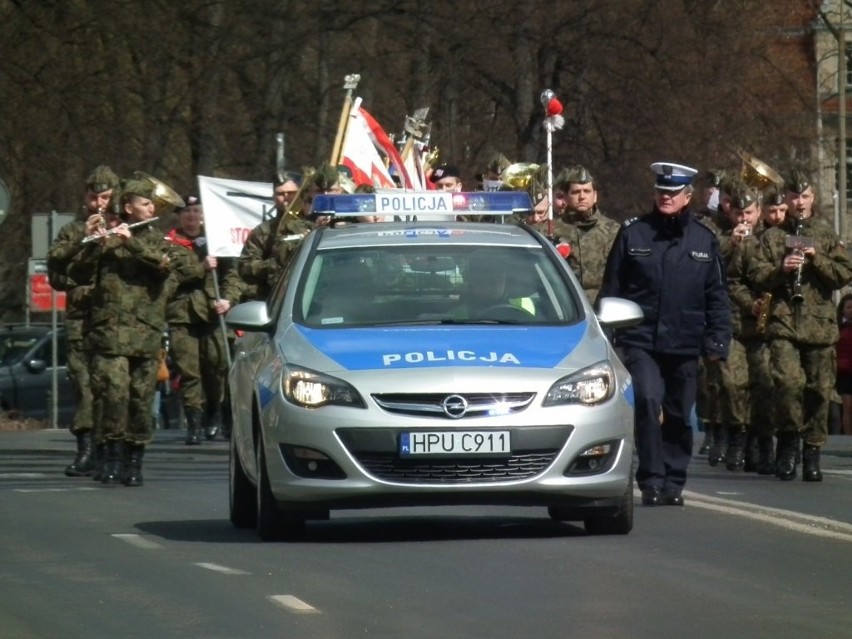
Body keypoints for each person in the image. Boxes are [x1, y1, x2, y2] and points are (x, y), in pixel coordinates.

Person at [598, 162, 731, 506]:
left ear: (687, 197)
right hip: (640, 338)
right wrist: (606, 333)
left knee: (678, 412)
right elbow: (612, 288)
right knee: (647, 399)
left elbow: (717, 295)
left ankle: (674, 481)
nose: (665, 197)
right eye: (661, 192)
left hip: (685, 341)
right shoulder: (634, 233)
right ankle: (652, 479)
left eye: (672, 193)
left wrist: (718, 340)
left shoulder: (704, 240)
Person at [67, 177, 191, 486]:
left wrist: (130, 243)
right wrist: (94, 243)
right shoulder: (106, 240)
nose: (152, 208)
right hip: (109, 334)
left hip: (145, 334)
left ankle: (134, 460)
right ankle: (110, 456)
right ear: (128, 207)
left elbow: (167, 268)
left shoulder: (158, 241)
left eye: (152, 203)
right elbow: (75, 274)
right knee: (114, 394)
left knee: (140, 399)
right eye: (145, 203)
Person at [745, 169, 852, 481]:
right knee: (788, 384)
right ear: (786, 199)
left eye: (805, 196)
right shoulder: (773, 237)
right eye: (794, 196)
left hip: (819, 326)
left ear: (813, 198)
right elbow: (755, 275)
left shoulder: (826, 234)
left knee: (820, 391)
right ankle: (789, 442)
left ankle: (812, 450)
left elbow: (843, 275)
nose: (799, 202)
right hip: (784, 322)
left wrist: (815, 257)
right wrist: (781, 268)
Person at [47, 164, 121, 477]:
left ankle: (111, 449)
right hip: (81, 319)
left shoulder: (126, 230)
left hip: (115, 322)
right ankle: (86, 448)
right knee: (84, 385)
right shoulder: (72, 231)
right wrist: (86, 241)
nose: (99, 204)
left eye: (105, 198)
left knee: (112, 387)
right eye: (94, 198)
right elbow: (56, 274)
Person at [165, 195, 243, 445]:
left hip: (212, 313)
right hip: (183, 314)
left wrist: (229, 299)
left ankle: (214, 410)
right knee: (189, 371)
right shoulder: (167, 243)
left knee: (218, 365)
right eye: (187, 211)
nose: (192, 215)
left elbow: (233, 275)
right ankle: (194, 422)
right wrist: (200, 267)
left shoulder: (217, 241)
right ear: (179, 215)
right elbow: (170, 276)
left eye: (197, 210)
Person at [238, 169, 315, 301]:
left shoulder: (314, 224)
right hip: (275, 296)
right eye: (280, 193)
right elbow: (245, 265)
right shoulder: (264, 230)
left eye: (291, 193)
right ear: (274, 197)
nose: (285, 197)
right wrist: (273, 265)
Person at [551, 165, 620, 304]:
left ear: (595, 196)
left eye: (587, 191)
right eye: (576, 192)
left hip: (603, 307)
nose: (582, 197)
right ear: (565, 196)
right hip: (564, 306)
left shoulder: (614, 230)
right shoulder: (551, 230)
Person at [836, 292, 852, 435]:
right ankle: (848, 438)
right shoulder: (839, 330)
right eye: (849, 307)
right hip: (844, 373)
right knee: (848, 407)